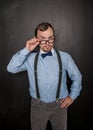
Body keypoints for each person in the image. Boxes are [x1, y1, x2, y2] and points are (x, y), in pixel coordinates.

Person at [7, 22, 82, 130]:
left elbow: (77, 77)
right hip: (38, 106)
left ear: (54, 38)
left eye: (50, 38)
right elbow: (11, 68)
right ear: (36, 39)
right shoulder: (29, 58)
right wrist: (26, 50)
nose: (47, 42)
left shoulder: (65, 57)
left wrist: (72, 96)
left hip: (60, 106)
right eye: (42, 39)